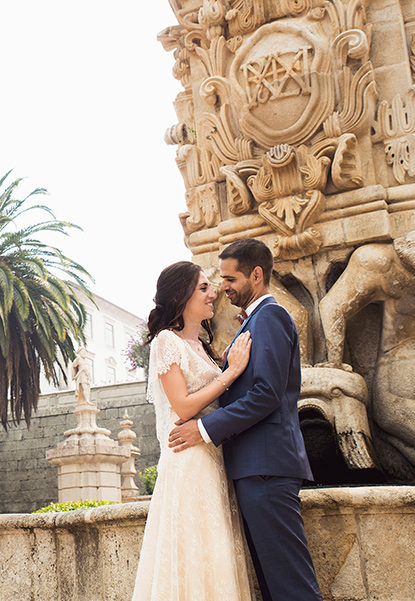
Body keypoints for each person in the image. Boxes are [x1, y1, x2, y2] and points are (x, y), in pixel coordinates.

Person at [168, 238, 323, 601]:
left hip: (266, 466)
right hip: (255, 466)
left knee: (291, 585)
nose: (223, 287)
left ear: (256, 274)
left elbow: (266, 394)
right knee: (274, 585)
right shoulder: (254, 320)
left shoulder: (271, 317)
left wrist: (204, 429)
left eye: (230, 279)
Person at [131, 261, 254, 601]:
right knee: (194, 550)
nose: (213, 293)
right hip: (189, 461)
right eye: (203, 287)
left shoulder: (201, 344)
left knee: (216, 552)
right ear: (180, 296)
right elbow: (183, 406)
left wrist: (228, 365)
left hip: (213, 456)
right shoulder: (166, 342)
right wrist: (231, 373)